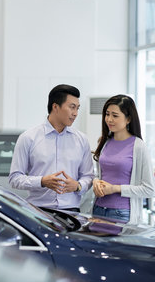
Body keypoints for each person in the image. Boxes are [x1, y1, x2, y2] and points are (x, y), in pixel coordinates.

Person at [9, 84, 94, 211]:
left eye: (77, 108)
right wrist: (42, 181)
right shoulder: (28, 138)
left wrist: (77, 186)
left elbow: (88, 176)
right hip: (38, 211)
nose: (75, 113)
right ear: (55, 107)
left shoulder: (81, 140)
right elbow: (15, 178)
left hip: (71, 212)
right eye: (72, 107)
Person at [92, 94, 155, 224]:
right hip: (98, 209)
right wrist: (96, 182)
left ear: (128, 119)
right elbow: (100, 174)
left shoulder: (139, 146)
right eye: (107, 114)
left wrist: (115, 188)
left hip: (121, 214)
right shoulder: (104, 142)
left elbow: (149, 189)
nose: (109, 119)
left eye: (115, 115)